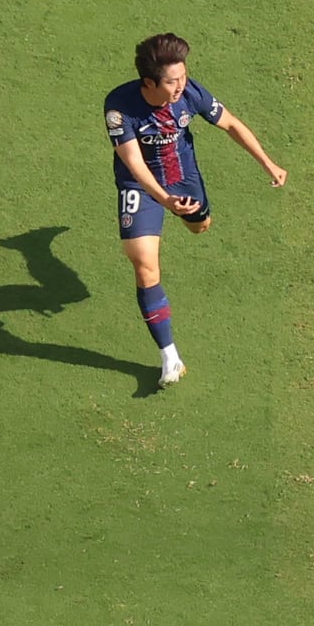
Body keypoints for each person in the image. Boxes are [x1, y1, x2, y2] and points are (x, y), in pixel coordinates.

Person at [105, 33, 289, 389]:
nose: (180, 86)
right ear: (149, 82)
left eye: (183, 77)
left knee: (200, 227)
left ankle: (190, 218)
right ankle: (170, 357)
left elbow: (231, 124)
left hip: (182, 178)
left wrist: (269, 164)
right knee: (143, 262)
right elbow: (133, 162)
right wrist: (162, 199)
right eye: (172, 81)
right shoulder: (119, 106)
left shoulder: (190, 93)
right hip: (140, 186)